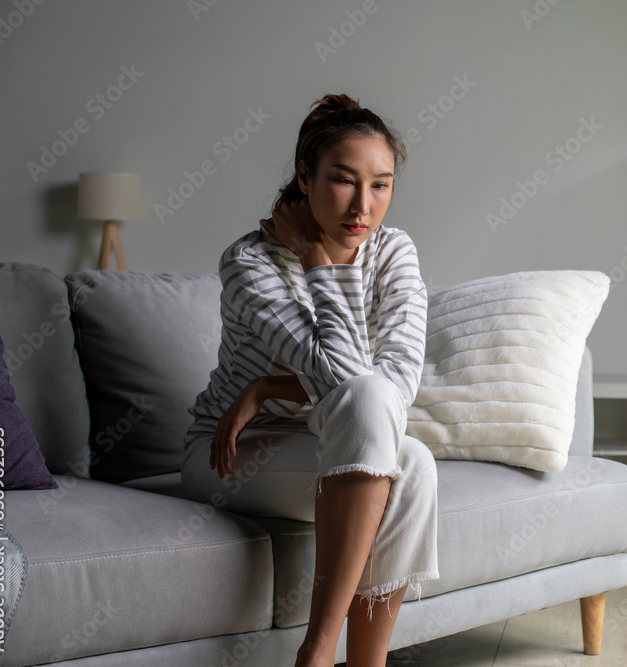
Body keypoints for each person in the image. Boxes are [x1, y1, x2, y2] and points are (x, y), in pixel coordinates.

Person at [181, 93, 438, 667]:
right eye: (344, 181)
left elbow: (397, 387)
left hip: (331, 443)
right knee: (380, 417)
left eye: (381, 185)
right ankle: (318, 654)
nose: (363, 207)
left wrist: (269, 386)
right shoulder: (249, 263)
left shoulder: (393, 251)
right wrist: (316, 261)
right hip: (230, 453)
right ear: (305, 175)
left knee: (414, 460)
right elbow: (352, 383)